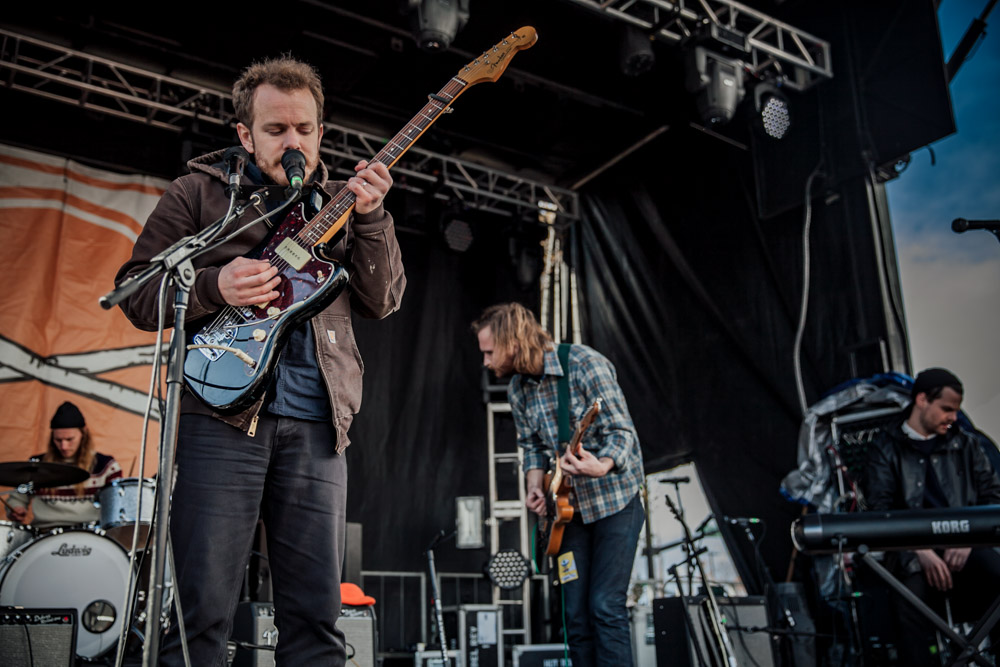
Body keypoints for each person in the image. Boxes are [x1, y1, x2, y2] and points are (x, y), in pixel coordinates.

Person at [114, 55, 405, 665]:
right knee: (202, 616)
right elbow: (138, 291)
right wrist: (213, 286)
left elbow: (383, 301)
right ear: (245, 135)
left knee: (316, 619)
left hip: (318, 425)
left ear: (321, 132)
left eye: (304, 129)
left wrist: (375, 218)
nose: (293, 141)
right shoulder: (199, 193)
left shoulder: (344, 204)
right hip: (218, 422)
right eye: (276, 130)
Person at [472, 302, 644, 667]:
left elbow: (622, 433)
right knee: (575, 616)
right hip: (568, 513)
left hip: (616, 503)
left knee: (604, 605)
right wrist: (535, 485)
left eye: (489, 352)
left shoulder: (583, 363)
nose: (485, 361)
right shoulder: (519, 389)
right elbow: (531, 446)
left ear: (512, 342)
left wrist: (603, 464)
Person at [865, 368, 1000, 666]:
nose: (953, 417)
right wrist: (920, 550)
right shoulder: (885, 447)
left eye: (956, 410)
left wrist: (969, 539)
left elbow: (993, 496)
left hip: (966, 545)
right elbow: (879, 511)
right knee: (907, 604)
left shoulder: (966, 443)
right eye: (947, 409)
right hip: (912, 554)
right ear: (922, 400)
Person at [6, 401, 122, 531]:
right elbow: (17, 498)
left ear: (83, 434)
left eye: (69, 439)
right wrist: (16, 508)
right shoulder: (36, 465)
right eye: (58, 440)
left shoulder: (106, 466)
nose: (64, 446)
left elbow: (116, 507)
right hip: (45, 533)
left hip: (90, 535)